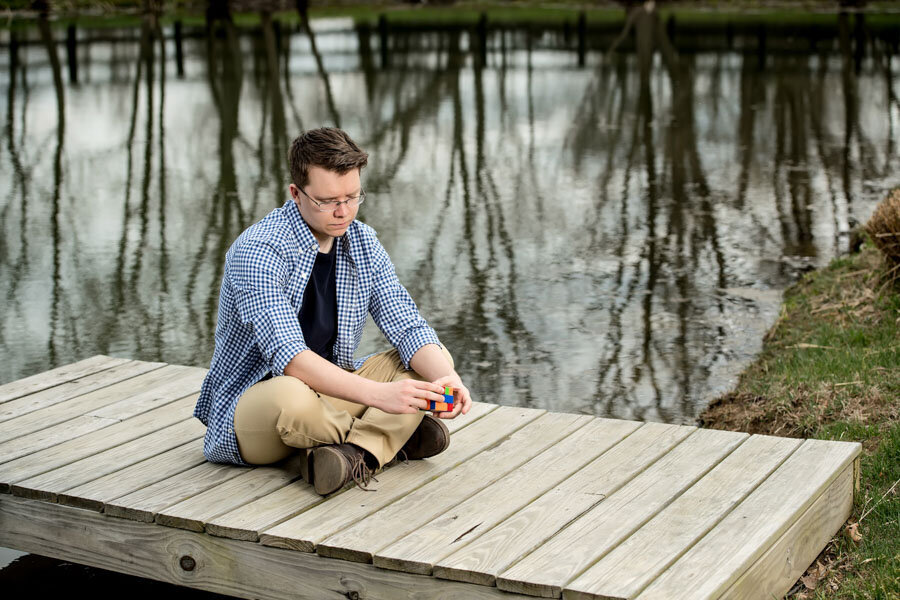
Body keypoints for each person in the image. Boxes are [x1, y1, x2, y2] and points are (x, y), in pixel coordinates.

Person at [192, 127, 472, 496]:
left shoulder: (363, 243)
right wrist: (380, 398)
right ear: (296, 193)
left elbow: (407, 326)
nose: (343, 212)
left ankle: (349, 455)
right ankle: (392, 440)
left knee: (429, 362)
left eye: (352, 197)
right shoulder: (258, 251)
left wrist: (449, 380)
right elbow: (290, 359)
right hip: (257, 407)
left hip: (329, 393)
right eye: (327, 201)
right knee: (290, 395)